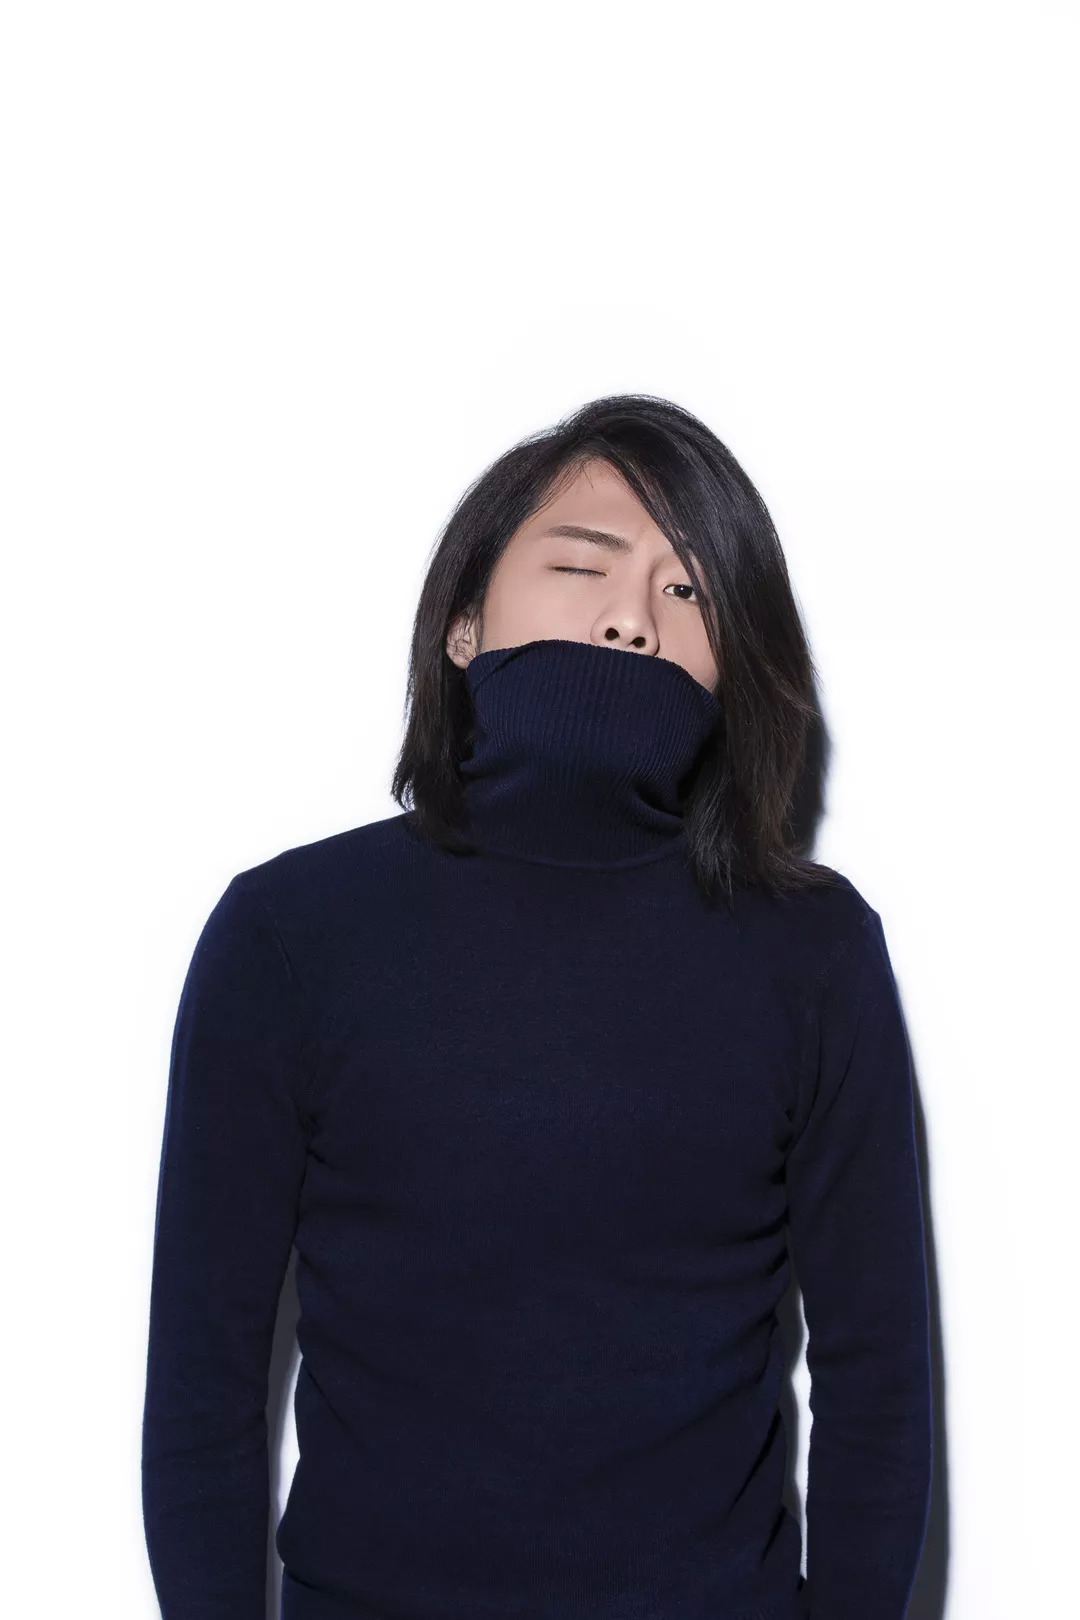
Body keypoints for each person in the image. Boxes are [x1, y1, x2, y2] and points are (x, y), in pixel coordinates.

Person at [141, 394, 933, 1620]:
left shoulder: (813, 951)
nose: (631, 616)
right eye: (580, 564)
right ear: (463, 623)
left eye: (689, 590)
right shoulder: (292, 934)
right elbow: (203, 1380)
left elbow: (879, 1383)